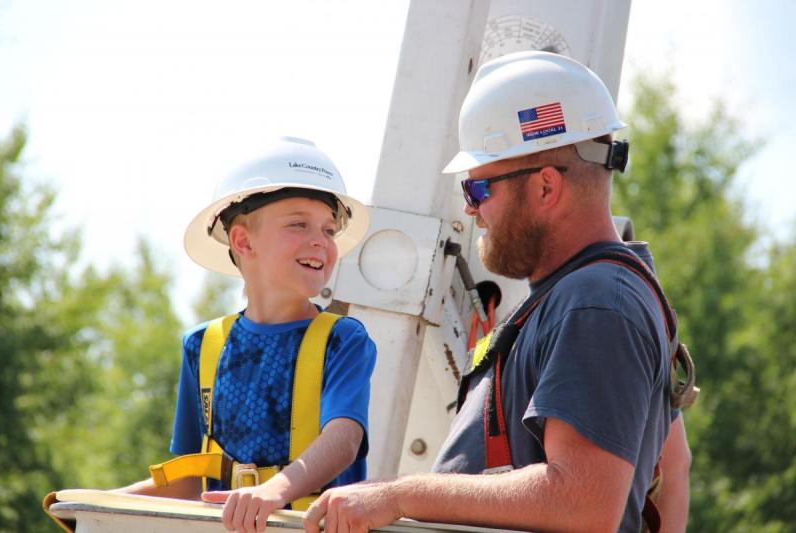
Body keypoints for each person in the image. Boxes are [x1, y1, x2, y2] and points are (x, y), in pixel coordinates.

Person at [303, 52, 693, 532]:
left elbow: (582, 501)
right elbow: (676, 466)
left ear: (546, 187)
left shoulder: (596, 303)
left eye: (478, 191)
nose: (471, 211)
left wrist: (399, 494)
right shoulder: (586, 298)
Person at [115, 137, 376, 533]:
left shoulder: (343, 340)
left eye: (328, 229)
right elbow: (190, 481)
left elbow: (343, 441)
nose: (320, 241)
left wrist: (272, 491)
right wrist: (96, 503)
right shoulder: (202, 347)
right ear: (243, 240)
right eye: (298, 224)